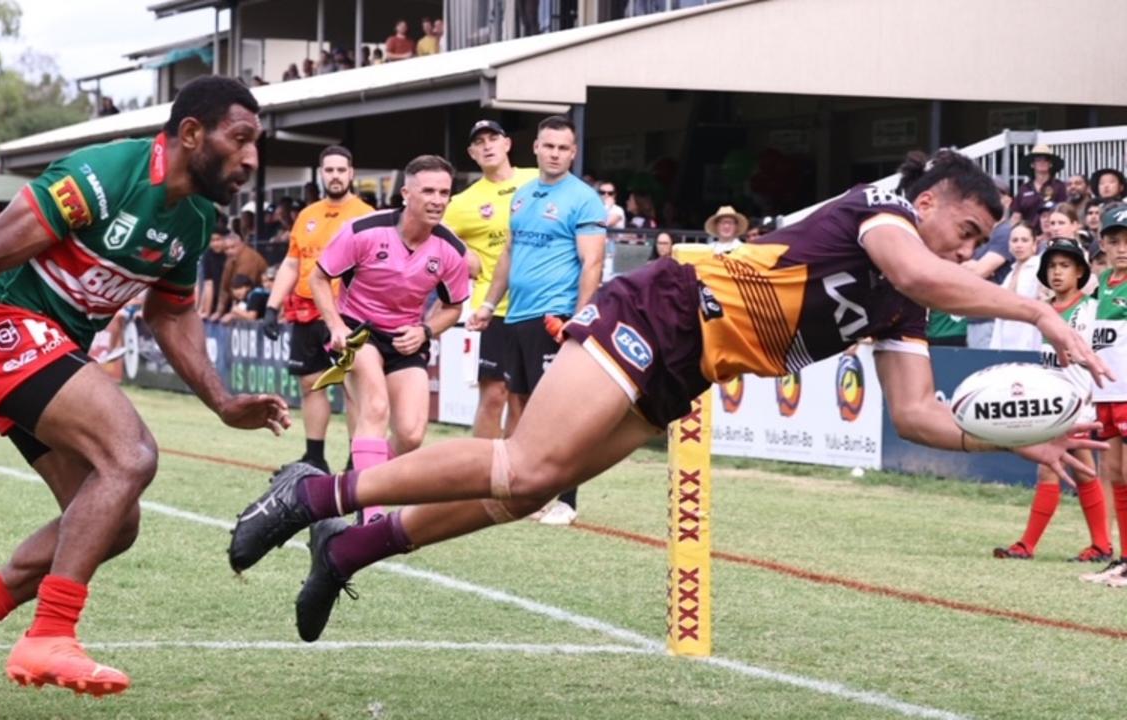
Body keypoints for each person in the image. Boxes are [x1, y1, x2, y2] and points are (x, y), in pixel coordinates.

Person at [225, 148, 1110, 644]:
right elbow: (925, 267)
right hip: (664, 305)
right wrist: (1038, 311)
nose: (968, 252)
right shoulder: (881, 214)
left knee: (525, 492)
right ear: (930, 202)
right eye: (967, 231)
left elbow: (917, 412)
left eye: (981, 242)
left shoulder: (910, 297)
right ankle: (312, 496)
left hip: (694, 367)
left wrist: (1019, 440)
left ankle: (350, 554)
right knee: (526, 460)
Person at [0, 76, 293, 714]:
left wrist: (223, 402)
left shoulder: (195, 220)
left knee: (115, 523)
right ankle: (51, 633)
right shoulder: (102, 174)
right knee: (132, 454)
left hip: (48, 354)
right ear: (192, 133)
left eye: (257, 142)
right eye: (241, 139)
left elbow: (171, 316)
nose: (252, 158)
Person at [234, 154, 469, 535]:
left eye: (445, 192)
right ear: (406, 193)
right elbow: (320, 278)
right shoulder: (364, 230)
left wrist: (427, 331)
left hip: (407, 337)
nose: (438, 199)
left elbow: (454, 307)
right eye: (428, 190)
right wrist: (336, 324)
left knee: (411, 433)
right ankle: (369, 509)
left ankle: (347, 486)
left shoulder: (450, 251)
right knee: (374, 406)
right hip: (358, 330)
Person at [468, 115, 606, 526]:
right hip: (517, 316)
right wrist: (490, 305)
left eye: (564, 148)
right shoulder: (523, 196)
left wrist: (579, 319)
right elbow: (508, 255)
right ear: (536, 148)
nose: (555, 154)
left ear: (573, 152)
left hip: (556, 316)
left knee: (560, 410)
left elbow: (593, 262)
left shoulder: (584, 199)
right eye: (549, 146)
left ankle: (568, 498)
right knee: (521, 405)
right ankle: (530, 492)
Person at [994, 238, 1110, 562]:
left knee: (1049, 470)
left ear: (1080, 272)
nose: (1057, 272)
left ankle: (1027, 546)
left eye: (1065, 266)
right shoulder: (1044, 313)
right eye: (1052, 266)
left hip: (1076, 405)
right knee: (1085, 472)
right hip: (1055, 404)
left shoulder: (1090, 308)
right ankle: (1101, 545)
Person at [266, 145, 374, 472]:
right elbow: (291, 262)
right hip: (304, 311)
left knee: (355, 388)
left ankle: (358, 460)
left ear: (351, 173)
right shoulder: (307, 215)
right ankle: (315, 456)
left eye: (342, 170)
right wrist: (272, 307)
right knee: (310, 384)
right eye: (330, 170)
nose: (336, 176)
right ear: (321, 173)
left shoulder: (366, 215)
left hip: (345, 312)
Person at [442, 120, 539, 441]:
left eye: (493, 138)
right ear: (472, 153)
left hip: (537, 303)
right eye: (479, 142)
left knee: (522, 396)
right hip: (493, 308)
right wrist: (462, 252)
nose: (487, 145)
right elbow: (434, 236)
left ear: (507, 144)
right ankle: (480, 474)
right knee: (494, 392)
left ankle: (512, 475)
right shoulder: (462, 202)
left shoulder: (537, 178)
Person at [1082, 203, 1127, 587]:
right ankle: (1124, 560)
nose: (1122, 248)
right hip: (1107, 393)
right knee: (1114, 473)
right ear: (1103, 244)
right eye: (1114, 241)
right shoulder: (1102, 285)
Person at [961, 177, 1015, 348]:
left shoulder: (1005, 232)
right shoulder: (984, 232)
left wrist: (973, 267)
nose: (990, 199)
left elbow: (979, 272)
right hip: (976, 316)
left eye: (997, 194)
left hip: (992, 317)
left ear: (1007, 200)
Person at [990, 223, 1046, 351]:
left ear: (1034, 245)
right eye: (1014, 240)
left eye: (1024, 240)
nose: (1019, 245)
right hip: (1005, 340)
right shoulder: (1009, 274)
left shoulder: (1040, 268)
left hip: (1029, 340)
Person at [216, 232, 268, 319]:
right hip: (243, 303)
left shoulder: (248, 258)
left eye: (233, 247)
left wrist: (234, 314)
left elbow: (244, 291)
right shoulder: (230, 260)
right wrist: (219, 312)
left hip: (257, 302)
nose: (229, 251)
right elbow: (224, 287)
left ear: (241, 245)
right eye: (226, 249)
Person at [1013, 144, 1067, 227]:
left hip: (1053, 233)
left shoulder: (1059, 186)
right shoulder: (1024, 188)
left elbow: (1065, 212)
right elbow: (1017, 215)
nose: (1042, 162)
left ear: (1050, 164)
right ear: (1032, 164)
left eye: (1046, 160)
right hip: (1030, 236)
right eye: (1038, 160)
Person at [197, 225, 229, 317]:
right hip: (215, 302)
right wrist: (205, 311)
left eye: (218, 239)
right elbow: (208, 284)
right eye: (212, 240)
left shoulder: (231, 254)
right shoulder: (208, 255)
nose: (215, 244)